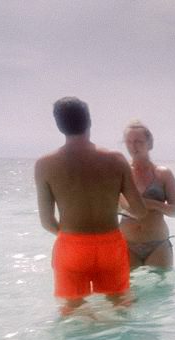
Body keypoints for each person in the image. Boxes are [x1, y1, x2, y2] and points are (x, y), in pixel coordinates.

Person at [35, 97, 147, 313]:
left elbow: (47, 222)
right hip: (110, 245)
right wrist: (116, 202)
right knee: (120, 304)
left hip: (71, 245)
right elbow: (140, 211)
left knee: (73, 310)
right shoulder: (116, 159)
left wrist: (72, 238)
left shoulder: (45, 165)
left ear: (59, 126)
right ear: (89, 121)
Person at [119, 120, 175, 269]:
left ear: (149, 143)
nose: (133, 146)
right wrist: (125, 206)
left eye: (138, 141)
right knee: (129, 291)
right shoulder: (121, 173)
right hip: (127, 244)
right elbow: (111, 209)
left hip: (158, 244)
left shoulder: (163, 174)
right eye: (129, 142)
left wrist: (152, 204)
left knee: (160, 291)